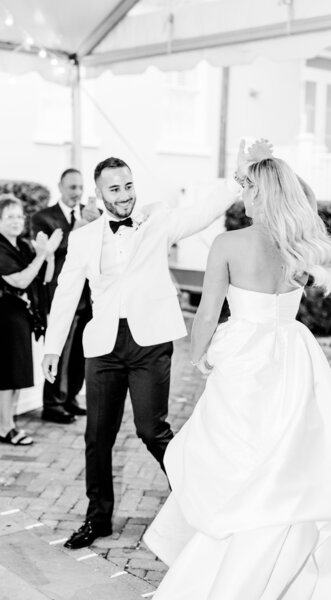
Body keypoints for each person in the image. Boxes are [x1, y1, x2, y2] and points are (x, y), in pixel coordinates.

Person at [143, 140, 331, 598]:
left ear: (258, 194)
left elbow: (206, 315)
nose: (241, 197)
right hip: (292, 353)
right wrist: (249, 171)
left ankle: (244, 549)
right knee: (298, 452)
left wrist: (197, 356)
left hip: (245, 354)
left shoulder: (228, 243)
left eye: (247, 189)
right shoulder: (301, 244)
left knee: (243, 455)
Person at [42, 157, 237, 550]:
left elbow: (200, 213)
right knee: (98, 436)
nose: (125, 195)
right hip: (103, 347)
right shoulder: (82, 239)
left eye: (129, 186)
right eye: (115, 189)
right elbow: (66, 293)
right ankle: (97, 518)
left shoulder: (158, 223)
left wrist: (238, 180)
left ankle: (199, 501)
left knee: (152, 430)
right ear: (100, 194)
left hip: (150, 343)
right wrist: (52, 347)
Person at [31, 168, 101, 424]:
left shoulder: (93, 214)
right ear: (60, 186)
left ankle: (70, 397)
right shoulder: (43, 218)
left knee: (80, 353)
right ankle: (52, 404)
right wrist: (79, 230)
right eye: (72, 188)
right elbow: (50, 253)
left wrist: (94, 226)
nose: (77, 193)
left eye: (80, 188)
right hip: (59, 295)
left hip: (90, 296)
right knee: (59, 348)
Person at [0, 195, 62, 445]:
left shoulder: (23, 246)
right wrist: (41, 256)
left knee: (16, 375)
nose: (16, 221)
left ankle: (8, 423)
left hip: (20, 317)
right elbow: (20, 280)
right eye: (9, 216)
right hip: (3, 317)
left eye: (18, 216)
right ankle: (5, 427)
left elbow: (44, 278)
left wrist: (49, 256)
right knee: (6, 376)